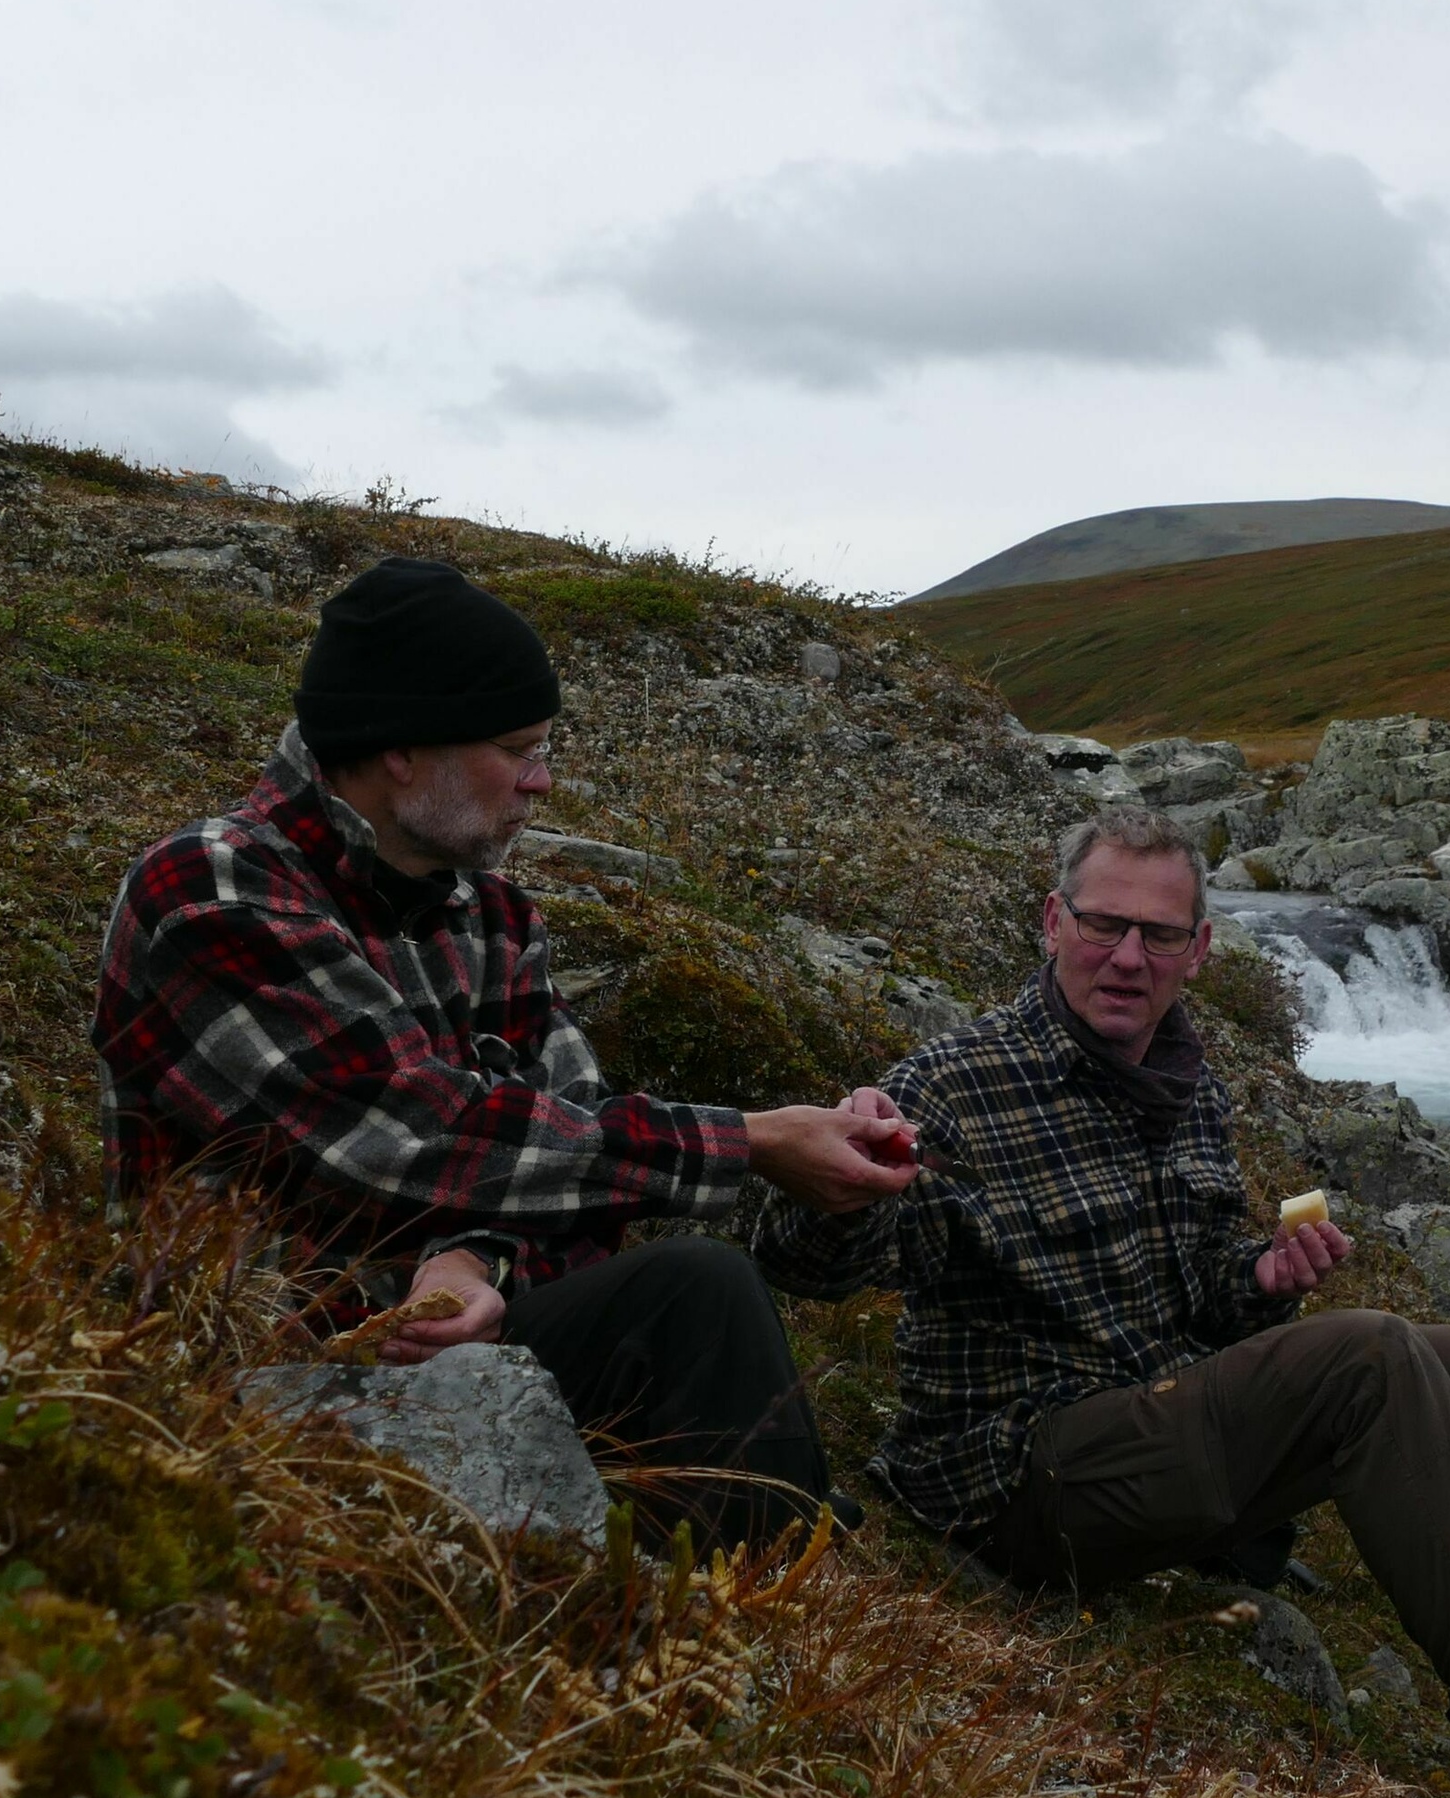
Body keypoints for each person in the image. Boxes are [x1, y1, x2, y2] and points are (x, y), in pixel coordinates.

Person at [755, 804, 1450, 1798]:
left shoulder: (1183, 1082)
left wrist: (1257, 1277)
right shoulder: (954, 1084)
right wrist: (842, 1190)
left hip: (1156, 1431)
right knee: (1369, 1353)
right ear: (1053, 922)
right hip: (1024, 1476)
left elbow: (1202, 1289)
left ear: (1198, 950)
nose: (1127, 957)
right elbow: (809, 1269)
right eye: (1104, 923)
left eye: (1159, 934)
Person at [94, 556, 917, 1548]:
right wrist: (753, 1140)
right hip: (250, 1377)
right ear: (402, 748)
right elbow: (411, 1133)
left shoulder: (489, 914)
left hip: (457, 1349)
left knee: (690, 1305)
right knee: (692, 1292)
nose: (542, 780)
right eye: (518, 749)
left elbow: (574, 1155)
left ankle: (757, 1576)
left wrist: (476, 1257)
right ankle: (769, 1586)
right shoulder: (210, 891)